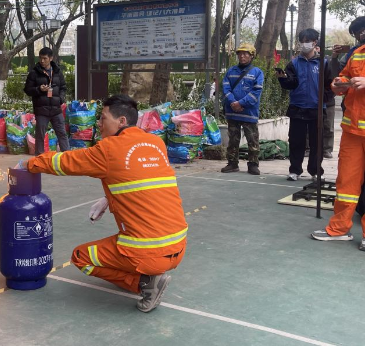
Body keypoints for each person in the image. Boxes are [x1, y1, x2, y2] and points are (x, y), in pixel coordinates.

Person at [26, 95, 187, 313]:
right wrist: (108, 198)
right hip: (178, 245)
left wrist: (30, 163)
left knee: (82, 258)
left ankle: (145, 284)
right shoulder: (156, 143)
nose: (99, 124)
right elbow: (142, 179)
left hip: (148, 251)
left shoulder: (108, 149)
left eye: (103, 118)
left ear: (121, 121)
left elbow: (64, 163)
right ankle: (150, 275)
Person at [311, 17, 365, 251]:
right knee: (346, 183)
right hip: (352, 131)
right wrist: (338, 84)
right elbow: (343, 76)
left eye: (362, 30)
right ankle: (339, 229)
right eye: (357, 32)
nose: (360, 35)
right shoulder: (358, 53)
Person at [276, 28, 332, 181]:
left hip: (317, 109)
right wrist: (282, 78)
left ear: (315, 43)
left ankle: (315, 171)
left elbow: (330, 84)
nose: (304, 44)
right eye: (302, 41)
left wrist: (324, 99)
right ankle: (295, 170)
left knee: (317, 143)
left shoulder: (324, 63)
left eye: (307, 41)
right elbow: (290, 84)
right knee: (296, 141)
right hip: (297, 108)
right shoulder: (293, 63)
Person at [221, 43, 264, 175]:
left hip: (249, 113)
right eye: (240, 53)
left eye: (246, 54)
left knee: (253, 140)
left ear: (252, 56)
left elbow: (256, 91)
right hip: (232, 112)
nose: (242, 56)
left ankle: (253, 165)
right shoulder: (231, 71)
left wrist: (241, 103)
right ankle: (232, 163)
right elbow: (225, 88)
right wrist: (233, 102)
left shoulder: (257, 72)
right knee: (233, 139)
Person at [24, 47, 70, 155]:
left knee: (62, 134)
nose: (42, 61)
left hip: (56, 110)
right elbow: (27, 90)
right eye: (40, 58)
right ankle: (39, 159)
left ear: (51, 58)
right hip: (42, 110)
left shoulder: (57, 72)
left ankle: (67, 158)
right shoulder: (34, 73)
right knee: (40, 136)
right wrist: (39, 89)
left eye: (44, 58)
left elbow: (63, 87)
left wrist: (60, 99)